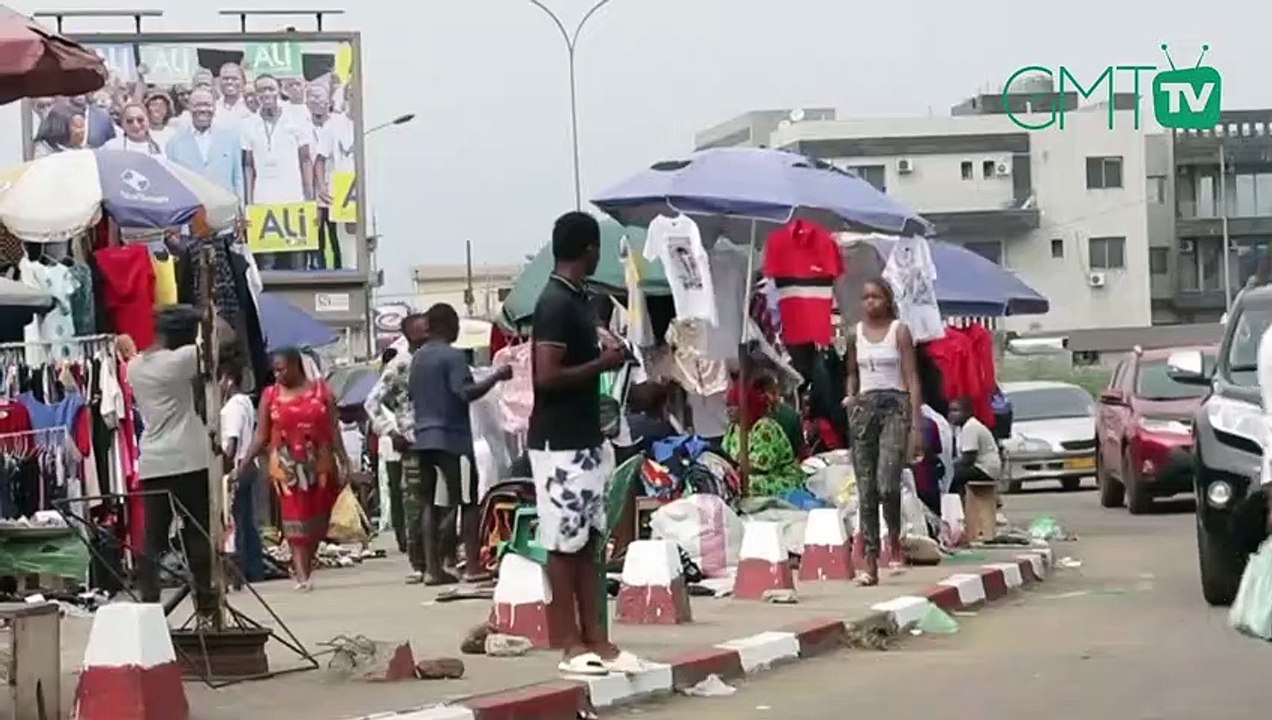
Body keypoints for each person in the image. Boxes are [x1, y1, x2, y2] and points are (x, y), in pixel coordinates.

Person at [529, 211, 644, 676]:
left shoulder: (581, 301)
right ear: (590, 249)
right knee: (563, 543)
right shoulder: (554, 302)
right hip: (558, 444)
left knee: (589, 541)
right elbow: (546, 376)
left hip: (585, 438)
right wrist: (603, 365)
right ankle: (571, 645)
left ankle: (599, 638)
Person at [410, 303, 511, 584]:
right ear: (449, 326)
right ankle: (473, 566)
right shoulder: (453, 357)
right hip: (453, 439)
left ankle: (432, 569)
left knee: (428, 503)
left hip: (423, 438)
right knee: (467, 500)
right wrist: (497, 376)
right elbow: (465, 392)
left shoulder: (418, 358)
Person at [234, 347, 350, 592]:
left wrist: (344, 459)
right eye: (274, 370)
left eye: (282, 368)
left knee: (318, 521)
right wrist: (244, 462)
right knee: (294, 519)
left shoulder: (322, 392)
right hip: (286, 467)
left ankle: (308, 561)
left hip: (320, 464)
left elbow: (333, 428)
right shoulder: (270, 395)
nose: (278, 374)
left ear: (297, 365)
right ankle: (301, 574)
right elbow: (261, 435)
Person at [128, 306, 216, 616]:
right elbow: (224, 337)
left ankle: (148, 603)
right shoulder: (182, 360)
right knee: (196, 532)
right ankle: (205, 602)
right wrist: (207, 315)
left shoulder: (134, 366)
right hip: (189, 458)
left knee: (153, 536)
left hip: (153, 461)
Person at [845, 278, 924, 586]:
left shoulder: (899, 331)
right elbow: (851, 373)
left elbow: (912, 377)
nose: (869, 303)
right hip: (864, 409)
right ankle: (871, 563)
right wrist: (851, 398)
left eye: (876, 297)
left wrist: (915, 423)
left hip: (895, 406)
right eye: (865, 297)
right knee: (866, 490)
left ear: (887, 300)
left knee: (887, 484)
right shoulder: (854, 333)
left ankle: (893, 537)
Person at [364, 315, 430, 583]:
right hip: (412, 442)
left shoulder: (437, 358)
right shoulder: (400, 364)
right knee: (414, 504)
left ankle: (438, 558)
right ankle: (419, 561)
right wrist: (391, 431)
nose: (426, 333)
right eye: (420, 329)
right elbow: (372, 402)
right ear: (408, 334)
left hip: (439, 439)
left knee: (440, 502)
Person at [243, 74, 314, 271]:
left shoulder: (296, 118)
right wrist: (248, 203)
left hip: (293, 196)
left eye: (271, 89)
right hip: (263, 198)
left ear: (279, 90)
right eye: (261, 90)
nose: (266, 94)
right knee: (266, 262)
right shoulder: (248, 123)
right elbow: (248, 166)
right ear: (255, 95)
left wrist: (310, 198)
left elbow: (306, 160)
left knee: (296, 260)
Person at [723, 375, 805, 498]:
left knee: (745, 485)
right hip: (743, 474)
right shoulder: (734, 429)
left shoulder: (765, 427)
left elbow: (762, 465)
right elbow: (725, 452)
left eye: (733, 405)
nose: (728, 411)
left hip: (778, 478)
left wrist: (736, 472)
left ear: (745, 405)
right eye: (727, 406)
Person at [219, 363, 264, 584]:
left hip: (239, 466)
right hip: (250, 465)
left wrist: (227, 470)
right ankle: (254, 568)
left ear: (227, 379)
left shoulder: (232, 408)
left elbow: (232, 441)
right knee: (246, 519)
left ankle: (244, 569)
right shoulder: (245, 402)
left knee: (237, 521)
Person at [166, 87, 245, 198]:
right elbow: (172, 183)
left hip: (224, 207)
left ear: (214, 108)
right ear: (189, 107)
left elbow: (237, 178)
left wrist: (240, 206)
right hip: (192, 208)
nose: (203, 109)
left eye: (208, 105)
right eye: (198, 105)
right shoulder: (174, 143)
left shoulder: (231, 138)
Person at [308, 82, 354, 270]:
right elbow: (319, 160)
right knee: (338, 240)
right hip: (339, 193)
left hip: (360, 192)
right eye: (351, 95)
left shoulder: (371, 121)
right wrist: (321, 188)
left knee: (359, 239)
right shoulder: (334, 124)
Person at [949, 397, 1002, 495]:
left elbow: (968, 459)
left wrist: (950, 465)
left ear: (967, 412)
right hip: (978, 466)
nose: (951, 415)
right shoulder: (960, 429)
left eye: (956, 411)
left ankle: (957, 504)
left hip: (985, 468)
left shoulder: (971, 427)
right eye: (950, 411)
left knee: (950, 476)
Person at [758, 375, 805, 458]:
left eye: (773, 392)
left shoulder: (790, 416)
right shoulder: (790, 415)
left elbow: (799, 449)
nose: (771, 398)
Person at [214, 62, 253, 131]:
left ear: (243, 81)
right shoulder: (214, 107)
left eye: (235, 79)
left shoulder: (251, 106)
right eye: (225, 79)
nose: (229, 82)